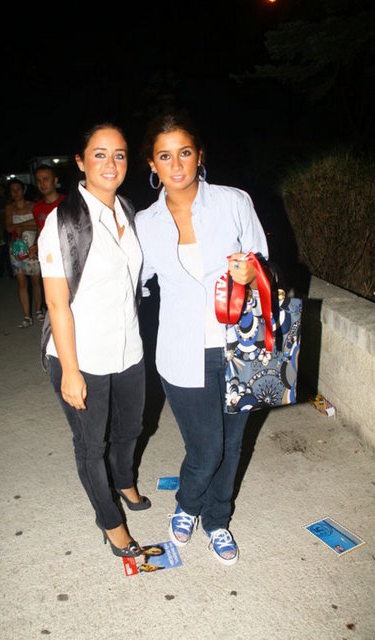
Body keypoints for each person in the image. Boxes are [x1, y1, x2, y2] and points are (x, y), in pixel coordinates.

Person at [135, 112, 270, 567]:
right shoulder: (145, 223)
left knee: (232, 445)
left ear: (199, 155)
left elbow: (263, 259)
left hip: (239, 345)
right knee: (207, 447)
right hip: (180, 350)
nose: (176, 165)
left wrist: (252, 272)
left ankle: (217, 521)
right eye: (165, 156)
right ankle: (188, 503)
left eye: (185, 153)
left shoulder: (234, 202)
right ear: (152, 164)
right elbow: (134, 282)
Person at [38, 123, 150, 558]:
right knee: (91, 445)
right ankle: (110, 521)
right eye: (99, 154)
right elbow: (56, 303)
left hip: (129, 348)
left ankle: (124, 481)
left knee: (131, 428)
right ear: (81, 162)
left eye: (119, 154)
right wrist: (70, 371)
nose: (111, 163)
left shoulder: (127, 209)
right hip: (81, 356)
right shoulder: (63, 222)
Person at [5, 178, 44, 327]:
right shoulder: (10, 208)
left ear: (24, 190)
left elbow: (39, 224)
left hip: (33, 247)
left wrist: (20, 226)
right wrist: (25, 225)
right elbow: (9, 227)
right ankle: (27, 316)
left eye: (18, 189)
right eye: (13, 190)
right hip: (17, 248)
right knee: (21, 282)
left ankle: (38, 310)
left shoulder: (33, 205)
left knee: (35, 281)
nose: (16, 193)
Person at [29, 164, 65, 319]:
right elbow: (40, 229)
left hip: (65, 255)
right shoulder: (37, 207)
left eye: (46, 179)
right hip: (47, 259)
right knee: (51, 297)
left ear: (55, 180)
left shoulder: (67, 203)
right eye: (38, 180)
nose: (42, 184)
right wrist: (35, 246)